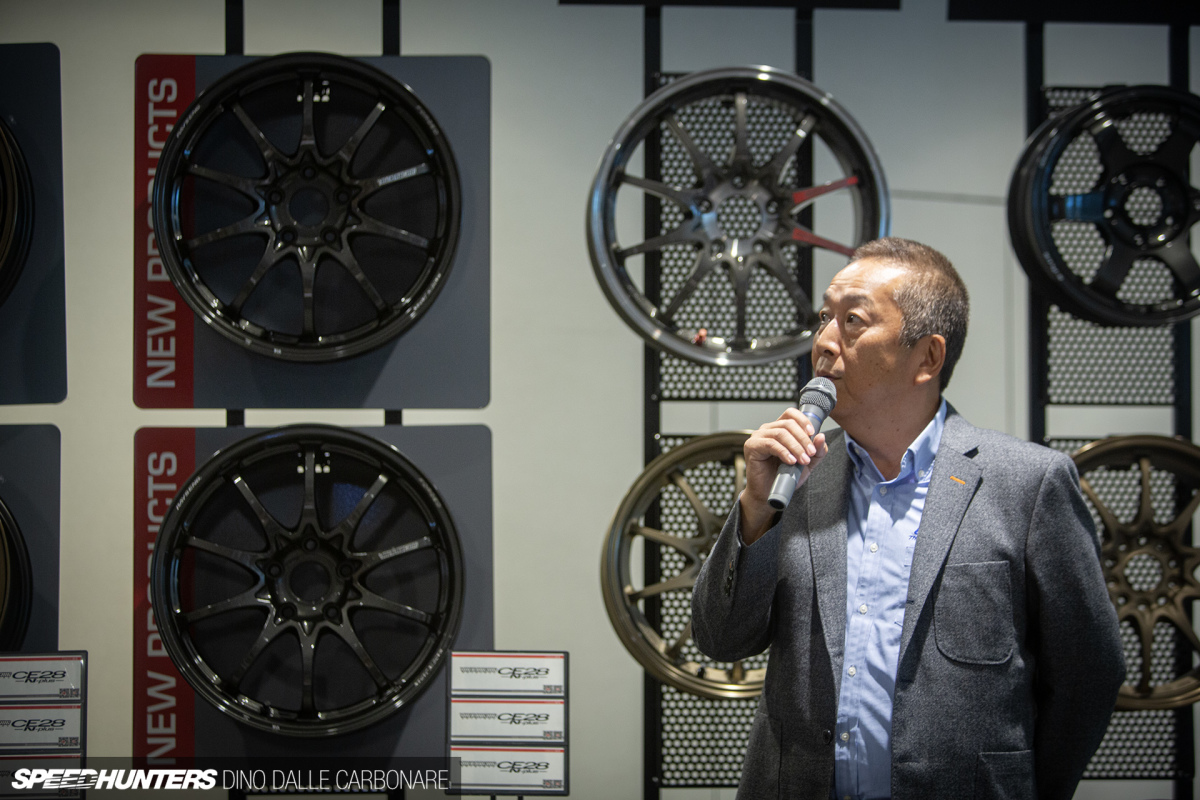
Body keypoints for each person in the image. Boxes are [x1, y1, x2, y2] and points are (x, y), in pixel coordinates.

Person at [691, 237, 1124, 800]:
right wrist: (754, 510)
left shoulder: (1027, 483)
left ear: (928, 358)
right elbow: (720, 640)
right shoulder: (794, 477)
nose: (823, 342)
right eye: (824, 317)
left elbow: (1088, 675)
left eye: (853, 321)